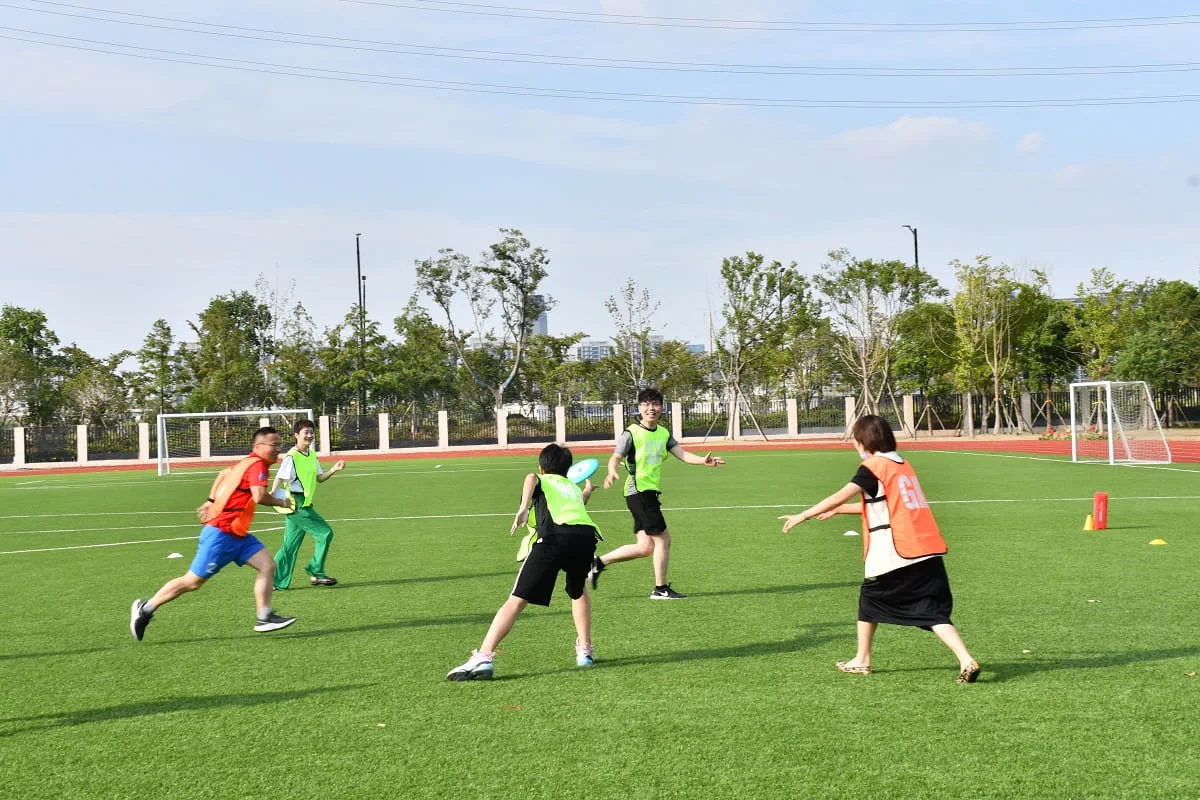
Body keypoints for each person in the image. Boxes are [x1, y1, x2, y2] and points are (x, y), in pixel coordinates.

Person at [778, 415, 981, 683]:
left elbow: (840, 494)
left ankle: (862, 660)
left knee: (870, 599)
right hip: (926, 549)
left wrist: (804, 515)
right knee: (930, 611)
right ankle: (966, 659)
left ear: (864, 441)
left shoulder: (873, 467)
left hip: (896, 550)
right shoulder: (901, 464)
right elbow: (885, 504)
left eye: (855, 439)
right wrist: (840, 510)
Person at [447, 443, 602, 681]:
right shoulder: (571, 486)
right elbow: (574, 509)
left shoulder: (543, 479)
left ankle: (484, 656)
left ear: (542, 468)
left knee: (517, 599)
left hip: (554, 538)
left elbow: (530, 477)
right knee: (578, 590)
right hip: (585, 538)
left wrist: (522, 508)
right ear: (568, 469)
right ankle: (585, 650)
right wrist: (587, 493)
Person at [129, 427, 298, 640]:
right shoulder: (256, 465)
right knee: (192, 582)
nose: (278, 449)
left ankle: (264, 617)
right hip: (221, 534)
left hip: (238, 534)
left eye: (279, 445)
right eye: (274, 445)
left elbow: (223, 474)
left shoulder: (247, 463)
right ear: (258, 446)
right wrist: (282, 502)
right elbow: (259, 496)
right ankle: (145, 608)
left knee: (267, 565)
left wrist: (211, 500)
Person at [586, 386, 724, 600]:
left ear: (662, 408)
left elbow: (682, 454)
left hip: (647, 493)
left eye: (656, 404)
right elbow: (616, 457)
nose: (651, 408)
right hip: (639, 491)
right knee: (664, 539)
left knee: (644, 547)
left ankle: (598, 563)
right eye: (646, 404)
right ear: (640, 408)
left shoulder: (663, 433)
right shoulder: (631, 432)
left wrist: (703, 461)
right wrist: (612, 471)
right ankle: (660, 589)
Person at [271, 419, 346, 590]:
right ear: (296, 435)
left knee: (289, 546)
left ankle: (272, 580)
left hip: (304, 504)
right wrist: (273, 494)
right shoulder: (292, 456)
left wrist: (334, 469)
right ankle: (316, 572)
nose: (310, 435)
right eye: (306, 432)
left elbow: (319, 478)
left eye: (312, 432)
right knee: (325, 533)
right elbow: (280, 477)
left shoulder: (312, 455)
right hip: (295, 504)